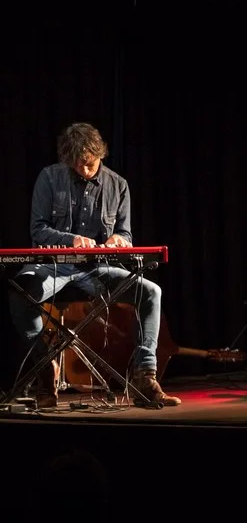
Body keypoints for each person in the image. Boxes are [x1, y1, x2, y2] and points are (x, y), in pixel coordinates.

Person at [7, 123, 181, 408]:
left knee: (151, 292)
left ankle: (144, 377)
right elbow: (38, 230)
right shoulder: (49, 177)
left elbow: (125, 234)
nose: (84, 170)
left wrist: (119, 241)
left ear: (100, 154)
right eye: (77, 165)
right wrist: (71, 240)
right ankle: (45, 367)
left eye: (89, 164)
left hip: (96, 268)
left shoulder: (118, 185)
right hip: (54, 267)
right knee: (19, 293)